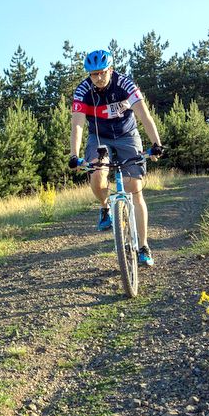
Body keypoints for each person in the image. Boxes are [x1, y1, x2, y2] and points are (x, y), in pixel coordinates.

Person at [68, 49, 163, 266]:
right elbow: (77, 125)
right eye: (94, 74)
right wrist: (74, 155)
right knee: (96, 174)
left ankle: (143, 246)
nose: (99, 77)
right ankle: (105, 207)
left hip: (127, 135)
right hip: (99, 137)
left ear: (110, 69)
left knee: (134, 189)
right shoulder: (82, 91)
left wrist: (156, 144)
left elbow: (144, 115)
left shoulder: (125, 84)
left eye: (103, 72)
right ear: (89, 74)